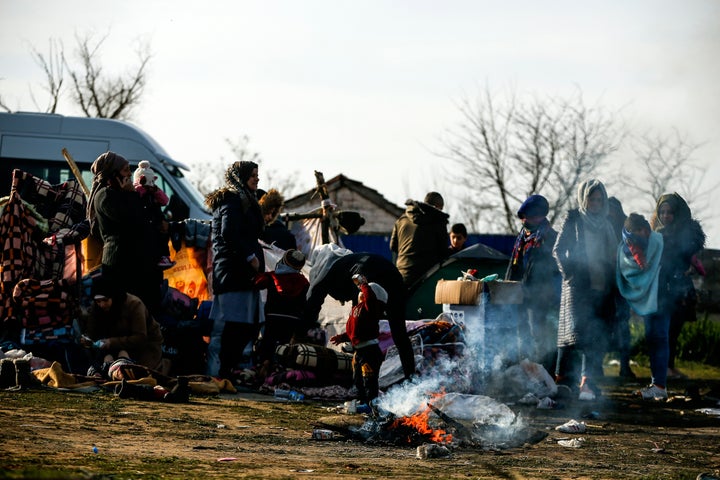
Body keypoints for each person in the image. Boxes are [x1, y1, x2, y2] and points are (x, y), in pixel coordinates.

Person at [303, 246, 415, 380]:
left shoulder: (329, 270)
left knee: (360, 327)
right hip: (393, 274)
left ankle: (362, 383)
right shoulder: (348, 262)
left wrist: (303, 329)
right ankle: (411, 377)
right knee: (399, 332)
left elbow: (313, 299)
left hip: (367, 275)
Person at [553, 179, 618, 401]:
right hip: (577, 289)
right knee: (570, 337)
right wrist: (571, 274)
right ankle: (561, 382)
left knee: (594, 337)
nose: (596, 203)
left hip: (602, 288)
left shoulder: (607, 225)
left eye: (600, 199)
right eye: (592, 198)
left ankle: (586, 383)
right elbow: (559, 250)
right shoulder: (574, 220)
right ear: (584, 198)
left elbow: (613, 256)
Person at [205, 161, 265, 379]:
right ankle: (219, 374)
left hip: (243, 275)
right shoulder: (232, 199)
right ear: (240, 176)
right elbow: (229, 232)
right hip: (233, 273)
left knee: (247, 326)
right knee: (232, 327)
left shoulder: (246, 199)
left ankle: (226, 372)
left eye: (258, 175)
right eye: (253, 175)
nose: (257, 178)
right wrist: (250, 257)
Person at [86, 151, 163, 316]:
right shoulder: (105, 195)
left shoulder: (122, 194)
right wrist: (132, 194)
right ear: (113, 173)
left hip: (141, 266)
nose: (130, 173)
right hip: (122, 267)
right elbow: (132, 218)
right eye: (125, 170)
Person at [650, 193, 706, 380]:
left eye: (670, 212)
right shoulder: (655, 235)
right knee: (663, 331)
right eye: (662, 212)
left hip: (679, 289)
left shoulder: (686, 235)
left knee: (674, 330)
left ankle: (669, 366)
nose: (665, 216)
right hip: (662, 289)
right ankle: (663, 368)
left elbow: (689, 250)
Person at [505, 194, 561, 374]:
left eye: (532, 216)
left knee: (541, 338)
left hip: (542, 298)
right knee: (523, 337)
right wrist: (508, 287)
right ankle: (528, 373)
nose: (527, 220)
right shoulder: (521, 238)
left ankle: (545, 374)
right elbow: (514, 266)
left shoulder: (552, 238)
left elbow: (555, 270)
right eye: (525, 216)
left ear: (541, 216)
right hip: (520, 295)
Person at [615, 213, 666, 400]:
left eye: (644, 229)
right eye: (637, 230)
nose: (643, 233)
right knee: (653, 338)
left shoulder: (658, 241)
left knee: (660, 337)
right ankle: (658, 384)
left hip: (662, 295)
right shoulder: (626, 248)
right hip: (648, 297)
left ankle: (659, 383)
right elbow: (630, 269)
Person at [80, 275, 165, 373]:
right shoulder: (96, 307)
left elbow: (140, 337)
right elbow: (91, 331)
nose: (102, 305)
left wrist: (111, 342)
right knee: (105, 364)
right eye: (98, 301)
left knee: (139, 373)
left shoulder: (134, 305)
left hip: (144, 346)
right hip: (113, 345)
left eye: (105, 300)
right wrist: (87, 339)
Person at [330, 274, 387, 406]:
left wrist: (364, 284)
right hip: (359, 351)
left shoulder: (372, 308)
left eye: (365, 292)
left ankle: (371, 403)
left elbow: (370, 298)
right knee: (358, 379)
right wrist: (342, 337)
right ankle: (362, 401)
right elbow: (355, 330)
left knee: (369, 379)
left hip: (370, 351)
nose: (362, 293)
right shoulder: (357, 308)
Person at [254, 249, 309, 377]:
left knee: (268, 342)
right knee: (284, 346)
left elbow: (257, 282)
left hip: (272, 317)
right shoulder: (303, 282)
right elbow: (304, 304)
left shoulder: (272, 276)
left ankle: (265, 364)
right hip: (293, 319)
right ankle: (279, 370)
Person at [390, 191, 449, 289]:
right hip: (426, 278)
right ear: (438, 206)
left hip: (402, 275)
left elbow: (393, 247)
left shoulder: (401, 220)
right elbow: (443, 253)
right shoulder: (438, 222)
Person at [607, 196, 636, 379]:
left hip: (620, 284)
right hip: (604, 284)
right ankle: (599, 367)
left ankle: (624, 366)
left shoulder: (626, 231)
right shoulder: (601, 227)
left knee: (622, 326)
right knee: (603, 325)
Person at [133, 160, 175, 269]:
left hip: (157, 222)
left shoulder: (154, 193)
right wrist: (142, 186)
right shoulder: (136, 193)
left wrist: (155, 190)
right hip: (144, 225)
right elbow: (137, 194)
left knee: (163, 237)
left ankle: (164, 257)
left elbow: (165, 201)